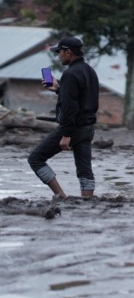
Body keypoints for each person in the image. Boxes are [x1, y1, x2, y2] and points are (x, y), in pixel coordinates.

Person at [28, 37, 100, 198]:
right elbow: (81, 99)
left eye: (59, 51)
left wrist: (66, 134)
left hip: (73, 128)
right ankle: (87, 201)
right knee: (85, 169)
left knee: (35, 159)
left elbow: (70, 107)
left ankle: (61, 196)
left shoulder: (70, 74)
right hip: (88, 128)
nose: (58, 55)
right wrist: (58, 89)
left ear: (68, 52)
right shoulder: (89, 71)